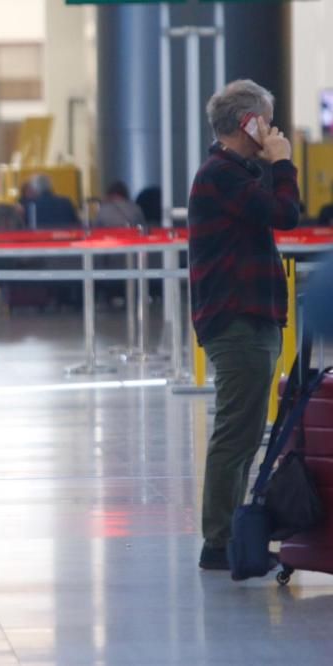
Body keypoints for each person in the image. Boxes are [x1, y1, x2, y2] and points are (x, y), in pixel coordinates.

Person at [188, 79, 300, 571]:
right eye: (267, 120)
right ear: (246, 124)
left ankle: (232, 532)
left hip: (251, 317)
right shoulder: (221, 175)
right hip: (235, 320)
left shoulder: (236, 172)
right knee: (237, 433)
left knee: (248, 429)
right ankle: (218, 541)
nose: (272, 129)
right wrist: (282, 162)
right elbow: (285, 214)